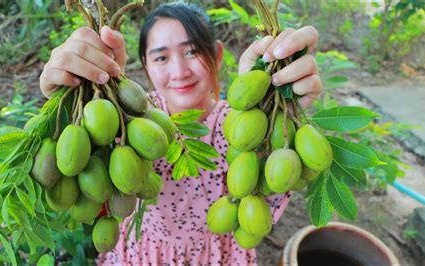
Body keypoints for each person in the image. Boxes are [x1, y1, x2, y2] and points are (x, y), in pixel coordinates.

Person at [40, 2, 321, 264]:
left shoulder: (239, 124)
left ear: (218, 55)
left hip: (217, 254)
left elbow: (270, 186)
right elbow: (88, 165)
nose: (179, 70)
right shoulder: (126, 121)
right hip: (144, 252)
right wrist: (66, 102)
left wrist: (273, 92)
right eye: (161, 57)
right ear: (145, 65)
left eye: (192, 51)